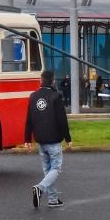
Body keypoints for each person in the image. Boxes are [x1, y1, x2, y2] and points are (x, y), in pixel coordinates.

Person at [24, 70, 72, 208]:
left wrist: (27, 139)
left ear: (41, 80)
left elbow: (29, 120)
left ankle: (53, 199)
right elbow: (62, 120)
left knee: (47, 170)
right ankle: (40, 188)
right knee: (56, 169)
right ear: (52, 81)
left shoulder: (33, 96)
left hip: (40, 140)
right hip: (53, 140)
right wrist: (68, 138)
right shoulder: (56, 96)